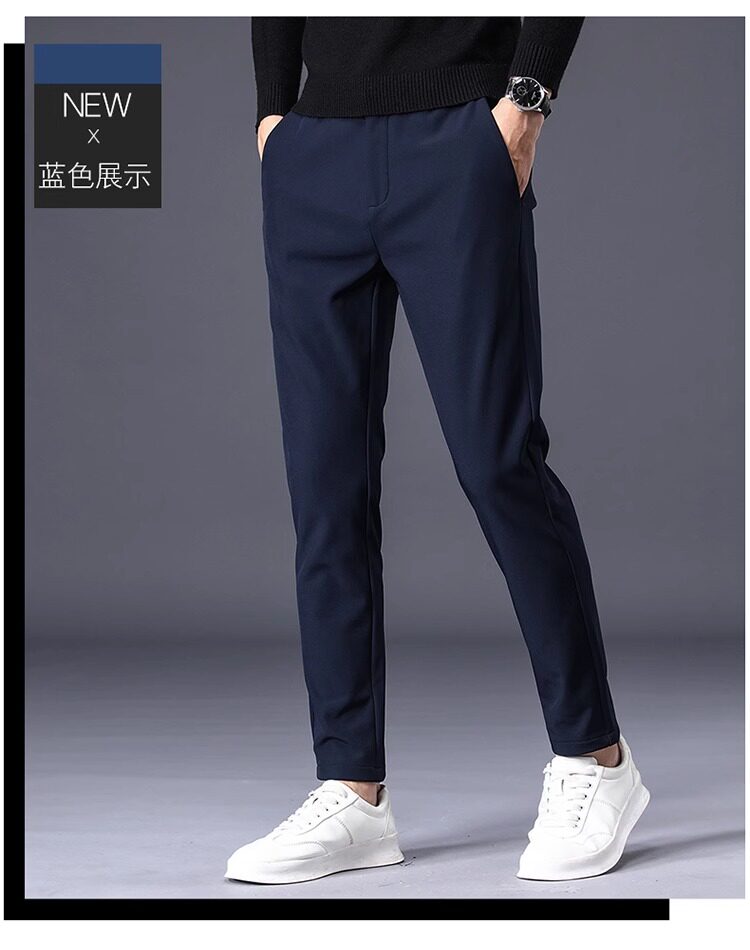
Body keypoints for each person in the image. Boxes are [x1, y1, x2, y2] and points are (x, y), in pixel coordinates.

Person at [227, 16, 649, 885]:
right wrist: (273, 115)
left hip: (458, 133)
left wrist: (525, 102)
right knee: (325, 484)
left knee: (498, 461)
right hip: (315, 148)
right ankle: (352, 788)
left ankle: (596, 757)